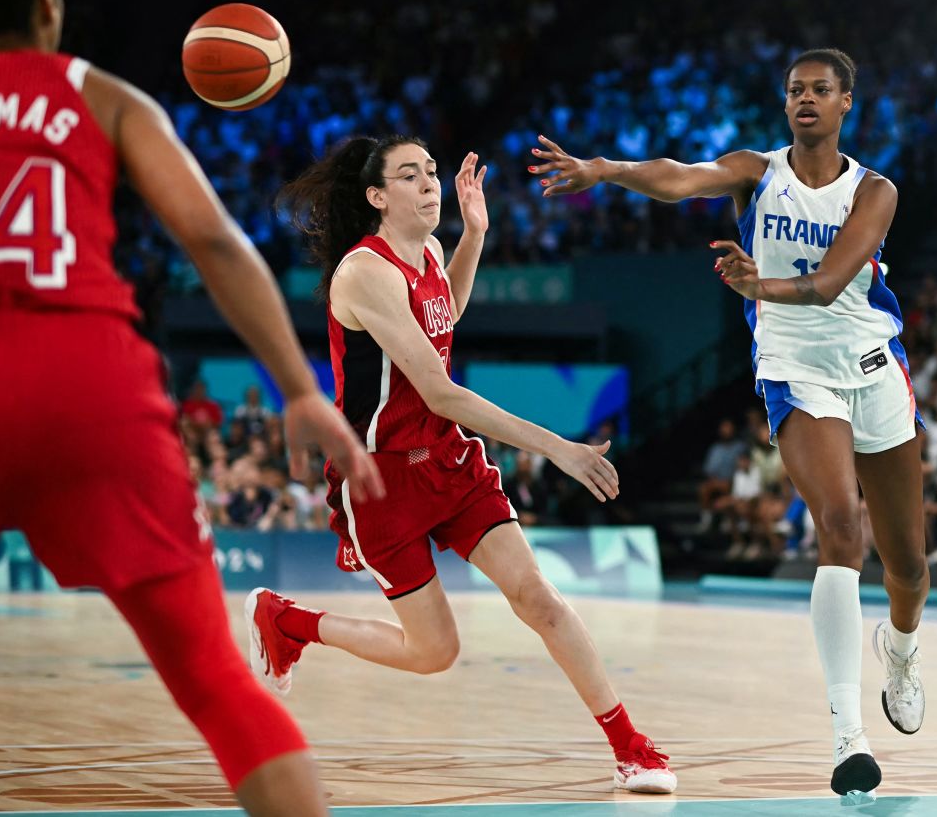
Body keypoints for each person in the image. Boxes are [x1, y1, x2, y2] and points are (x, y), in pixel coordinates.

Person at [0, 0, 386, 814]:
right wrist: (301, 390)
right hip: (91, 390)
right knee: (217, 685)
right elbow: (215, 243)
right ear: (49, 4)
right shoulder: (105, 97)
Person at [530, 47, 926, 798]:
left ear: (847, 103)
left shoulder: (875, 191)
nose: (804, 100)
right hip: (794, 368)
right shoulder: (758, 169)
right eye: (794, 91)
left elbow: (836, 278)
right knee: (842, 527)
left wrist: (759, 282)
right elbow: (680, 177)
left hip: (874, 367)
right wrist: (607, 169)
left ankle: (900, 652)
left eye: (820, 90)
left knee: (909, 568)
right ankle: (849, 735)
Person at [252, 135, 676, 794]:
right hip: (381, 478)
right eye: (410, 176)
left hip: (449, 460)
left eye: (432, 172)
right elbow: (441, 388)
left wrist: (473, 236)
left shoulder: (423, 253)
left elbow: (441, 316)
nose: (429, 185)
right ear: (376, 197)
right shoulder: (364, 271)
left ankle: (631, 747)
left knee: (539, 599)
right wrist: (557, 446)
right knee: (434, 652)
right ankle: (289, 622)